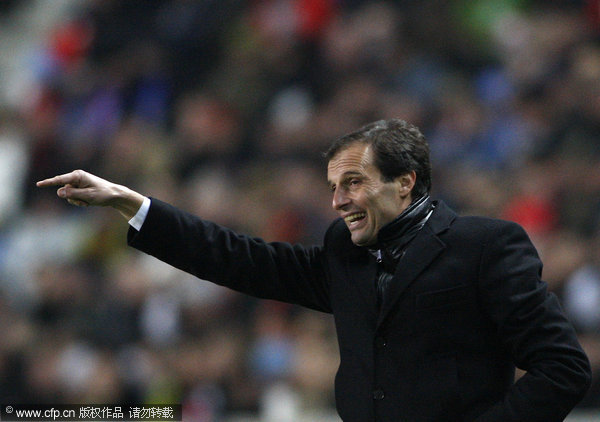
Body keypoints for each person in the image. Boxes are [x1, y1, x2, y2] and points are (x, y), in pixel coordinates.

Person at [37, 119, 591, 422]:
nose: (337, 202)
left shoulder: (484, 245)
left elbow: (562, 368)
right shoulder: (344, 253)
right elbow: (237, 257)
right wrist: (132, 205)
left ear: (406, 183)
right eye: (332, 187)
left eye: (352, 183)